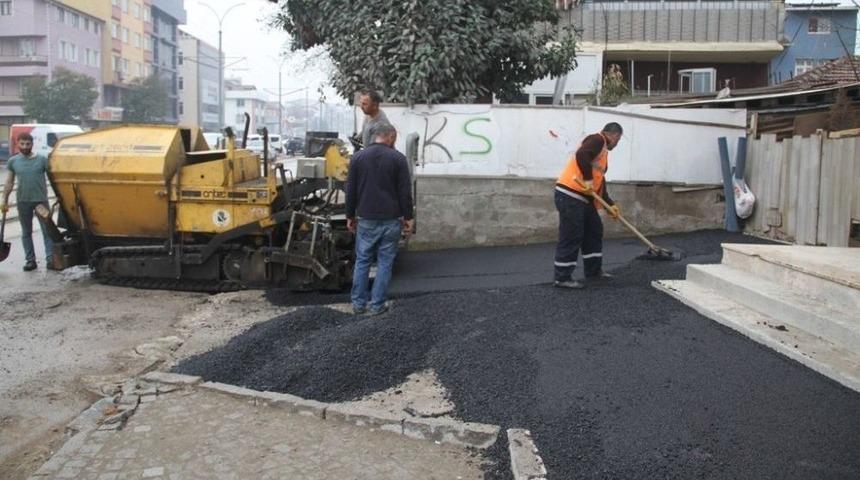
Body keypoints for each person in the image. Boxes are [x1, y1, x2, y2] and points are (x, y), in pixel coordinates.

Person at [346, 123, 414, 315]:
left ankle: (358, 304)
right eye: (395, 138)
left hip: (366, 219)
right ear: (390, 136)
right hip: (391, 220)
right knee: (385, 262)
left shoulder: (358, 158)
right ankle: (377, 305)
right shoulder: (398, 159)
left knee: (363, 261)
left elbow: (350, 190)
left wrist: (350, 215)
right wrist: (408, 217)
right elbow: (404, 192)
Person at [553, 122, 623, 289]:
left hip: (583, 198)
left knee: (594, 230)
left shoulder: (603, 152)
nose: (617, 144)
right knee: (572, 234)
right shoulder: (597, 139)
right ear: (614, 135)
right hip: (570, 194)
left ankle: (593, 271)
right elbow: (582, 154)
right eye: (618, 140)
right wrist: (587, 179)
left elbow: (599, 181)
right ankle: (562, 277)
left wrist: (610, 205)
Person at [1, 132, 54, 271]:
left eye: (28, 144)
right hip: (23, 201)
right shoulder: (13, 161)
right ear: (17, 144)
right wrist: (4, 200)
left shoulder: (42, 160)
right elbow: (9, 182)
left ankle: (50, 259)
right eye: (22, 144)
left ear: (32, 144)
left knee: (47, 231)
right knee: (26, 232)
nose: (25, 147)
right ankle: (30, 260)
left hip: (41, 201)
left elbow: (53, 179)